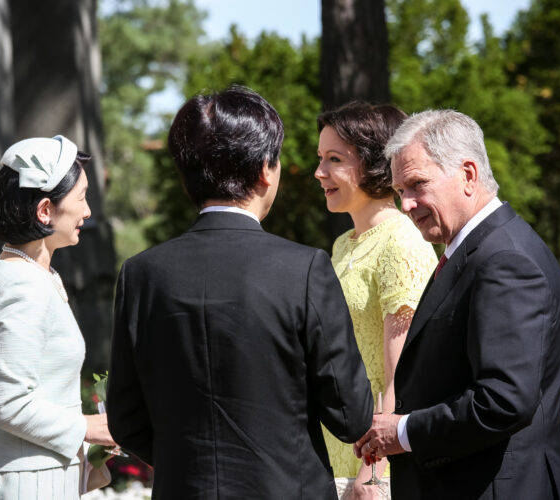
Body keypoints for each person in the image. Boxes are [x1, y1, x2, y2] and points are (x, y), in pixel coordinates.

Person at [106, 86, 373, 499]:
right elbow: (351, 414)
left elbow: (125, 419)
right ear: (266, 168)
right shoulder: (302, 269)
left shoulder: (141, 274)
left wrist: (186, 461)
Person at [354, 109, 560, 499]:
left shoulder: (505, 260)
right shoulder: (478, 252)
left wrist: (402, 432)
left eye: (417, 185)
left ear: (468, 175)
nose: (406, 204)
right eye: (400, 191)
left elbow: (503, 402)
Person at [0, 135, 116, 499]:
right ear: (45, 210)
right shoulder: (22, 283)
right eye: (81, 197)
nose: (88, 211)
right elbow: (11, 405)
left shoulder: (27, 271)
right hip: (23, 483)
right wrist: (88, 427)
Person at [314, 102, 437, 499]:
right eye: (320, 159)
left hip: (371, 461)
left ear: (371, 162)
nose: (320, 173)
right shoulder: (341, 245)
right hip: (335, 446)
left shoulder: (401, 241)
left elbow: (402, 374)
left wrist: (375, 474)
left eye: (334, 159)